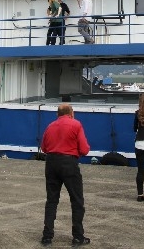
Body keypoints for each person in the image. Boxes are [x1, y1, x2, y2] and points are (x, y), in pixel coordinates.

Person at [40, 103, 91, 247]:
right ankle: (77, 237)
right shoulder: (76, 125)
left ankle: (47, 236)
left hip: (51, 162)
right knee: (76, 201)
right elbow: (84, 149)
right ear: (71, 113)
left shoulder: (50, 126)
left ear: (58, 114)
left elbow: (44, 147)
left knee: (51, 200)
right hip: (69, 163)